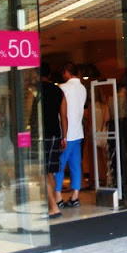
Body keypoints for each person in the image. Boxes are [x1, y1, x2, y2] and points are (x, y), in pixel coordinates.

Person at [55, 62, 87, 208]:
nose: (63, 75)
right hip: (78, 132)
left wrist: (63, 136)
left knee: (59, 166)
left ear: (67, 72)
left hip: (66, 133)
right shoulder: (83, 89)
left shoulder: (62, 88)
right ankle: (75, 196)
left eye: (63, 72)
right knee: (75, 166)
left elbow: (61, 113)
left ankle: (58, 197)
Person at [39, 63, 68, 218]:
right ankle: (53, 203)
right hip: (55, 134)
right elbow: (63, 116)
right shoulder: (59, 91)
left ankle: (53, 207)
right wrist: (64, 137)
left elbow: (29, 114)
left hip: (40, 135)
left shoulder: (35, 90)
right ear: (49, 75)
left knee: (41, 172)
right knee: (50, 172)